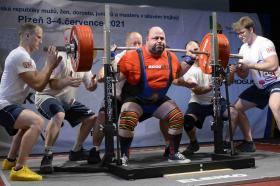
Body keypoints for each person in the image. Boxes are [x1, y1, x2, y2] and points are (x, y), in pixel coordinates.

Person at [117, 26, 194, 165]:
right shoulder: (132, 56)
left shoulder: (171, 57)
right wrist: (108, 70)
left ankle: (173, 153)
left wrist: (190, 59)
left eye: (162, 38)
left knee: (177, 117)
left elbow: (178, 72)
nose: (159, 41)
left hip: (158, 100)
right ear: (147, 40)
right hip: (136, 99)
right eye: (155, 38)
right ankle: (124, 155)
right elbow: (118, 76)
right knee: (127, 118)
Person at [0, 23, 61, 181]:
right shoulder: (20, 55)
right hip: (3, 105)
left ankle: (10, 160)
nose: (40, 42)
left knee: (27, 125)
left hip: (9, 105)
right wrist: (49, 64)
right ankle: (19, 169)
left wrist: (52, 68)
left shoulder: (29, 61)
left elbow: (40, 82)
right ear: (27, 36)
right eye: (38, 37)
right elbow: (38, 84)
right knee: (37, 122)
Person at [34, 28, 98, 173]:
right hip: (47, 96)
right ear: (69, 41)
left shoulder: (83, 62)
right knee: (59, 114)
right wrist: (65, 82)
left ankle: (76, 151)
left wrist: (93, 85)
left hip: (67, 101)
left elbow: (90, 87)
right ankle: (47, 155)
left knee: (91, 117)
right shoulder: (60, 57)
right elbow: (49, 83)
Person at [173, 40, 239, 156]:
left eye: (198, 50)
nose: (197, 53)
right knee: (188, 122)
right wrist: (211, 86)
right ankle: (194, 143)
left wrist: (232, 73)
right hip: (197, 103)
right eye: (193, 51)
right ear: (188, 53)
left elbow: (228, 83)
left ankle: (227, 143)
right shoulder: (188, 71)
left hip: (216, 100)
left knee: (233, 113)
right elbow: (198, 91)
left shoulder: (212, 65)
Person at [88, 31, 143, 164]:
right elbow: (103, 73)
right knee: (102, 115)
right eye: (133, 43)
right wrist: (106, 64)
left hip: (133, 99)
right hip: (115, 97)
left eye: (139, 43)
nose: (137, 46)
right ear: (126, 45)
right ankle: (95, 150)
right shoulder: (119, 57)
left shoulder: (144, 58)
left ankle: (125, 153)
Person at [230, 16, 280, 152]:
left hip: (276, 82)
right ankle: (249, 142)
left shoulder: (265, 43)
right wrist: (236, 70)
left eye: (243, 33)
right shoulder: (243, 49)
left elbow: (273, 65)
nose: (240, 36)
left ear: (251, 29)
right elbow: (244, 74)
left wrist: (249, 65)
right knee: (235, 108)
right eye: (238, 34)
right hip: (260, 87)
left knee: (275, 106)